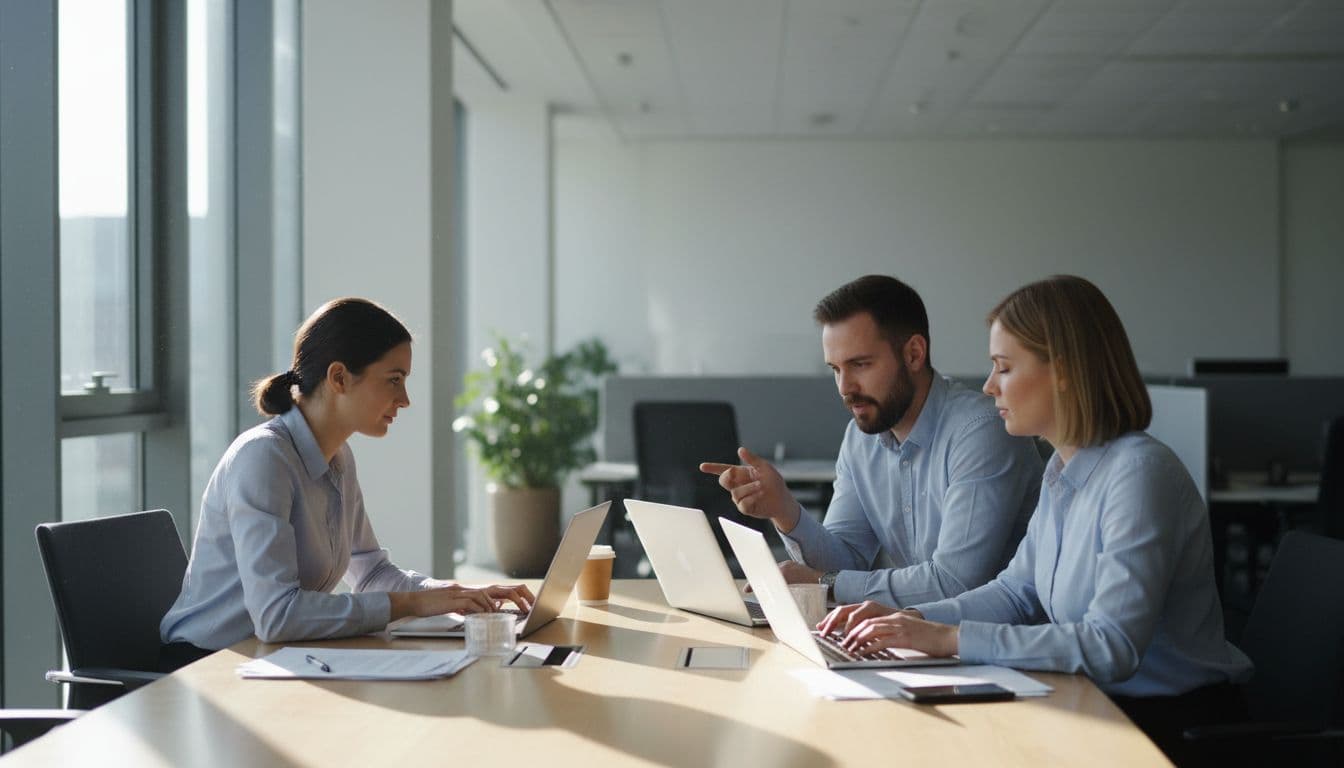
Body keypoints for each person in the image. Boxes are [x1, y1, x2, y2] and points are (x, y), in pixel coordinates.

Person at [821, 275, 1252, 764]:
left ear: (1063, 372)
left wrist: (950, 638)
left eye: (1004, 368)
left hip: (1165, 727)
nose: (989, 386)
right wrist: (912, 621)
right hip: (1092, 703)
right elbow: (1016, 591)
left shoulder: (1139, 473)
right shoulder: (1062, 468)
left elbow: (1112, 646)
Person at [161, 298, 533, 656]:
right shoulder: (263, 458)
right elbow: (276, 616)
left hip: (271, 658)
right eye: (393, 379)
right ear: (339, 377)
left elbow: (371, 573)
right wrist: (411, 604)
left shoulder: (338, 458)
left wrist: (457, 595)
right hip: (206, 665)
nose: (405, 399)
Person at [700, 275, 1043, 607]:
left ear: (913, 354)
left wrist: (824, 584)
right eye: (835, 369)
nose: (845, 388)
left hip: (994, 644)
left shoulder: (980, 430)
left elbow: (954, 583)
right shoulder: (860, 439)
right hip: (920, 637)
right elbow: (847, 559)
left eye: (860, 364)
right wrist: (783, 510)